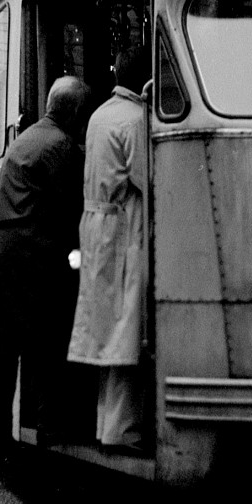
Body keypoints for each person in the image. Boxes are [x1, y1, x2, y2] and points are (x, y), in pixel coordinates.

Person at [0, 75, 90, 462]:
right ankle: (50, 430)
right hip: (30, 258)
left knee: (2, 355)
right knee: (50, 343)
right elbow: (73, 208)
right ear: (74, 111)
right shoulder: (63, 146)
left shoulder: (25, 139)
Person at [67, 46, 151, 456]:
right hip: (123, 226)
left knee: (105, 327)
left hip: (95, 224)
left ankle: (105, 424)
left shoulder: (100, 114)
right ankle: (122, 430)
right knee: (126, 327)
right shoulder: (135, 119)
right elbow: (146, 177)